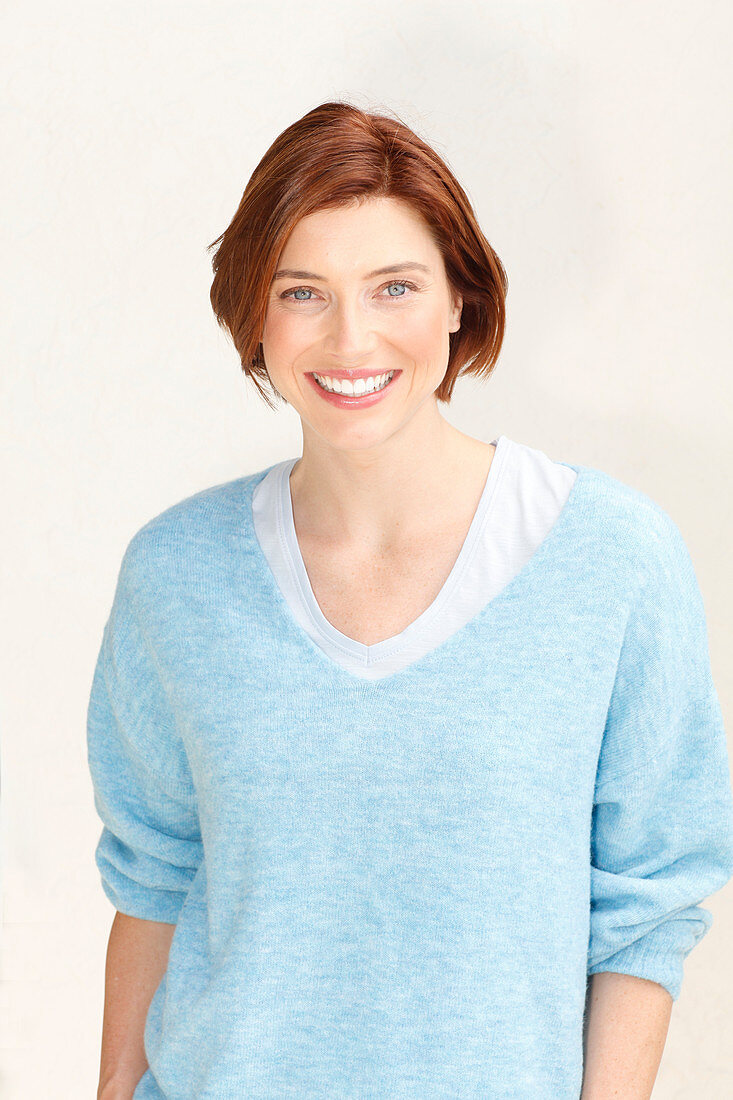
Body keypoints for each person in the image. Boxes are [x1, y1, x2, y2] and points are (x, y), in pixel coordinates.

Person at [87, 101, 733, 1100]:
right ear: (255, 315)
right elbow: (154, 881)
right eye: (304, 291)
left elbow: (646, 910)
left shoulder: (614, 559)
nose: (352, 337)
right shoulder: (175, 574)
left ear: (458, 302)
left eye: (395, 285)